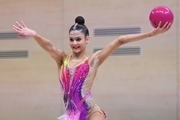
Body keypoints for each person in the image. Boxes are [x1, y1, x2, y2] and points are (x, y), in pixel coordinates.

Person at [13, 16, 171, 120]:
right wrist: (35, 35)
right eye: (71, 39)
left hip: (91, 111)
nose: (74, 43)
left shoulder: (93, 60)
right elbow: (49, 47)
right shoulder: (62, 59)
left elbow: (120, 40)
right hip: (71, 114)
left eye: (78, 39)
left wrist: (151, 34)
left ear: (87, 39)